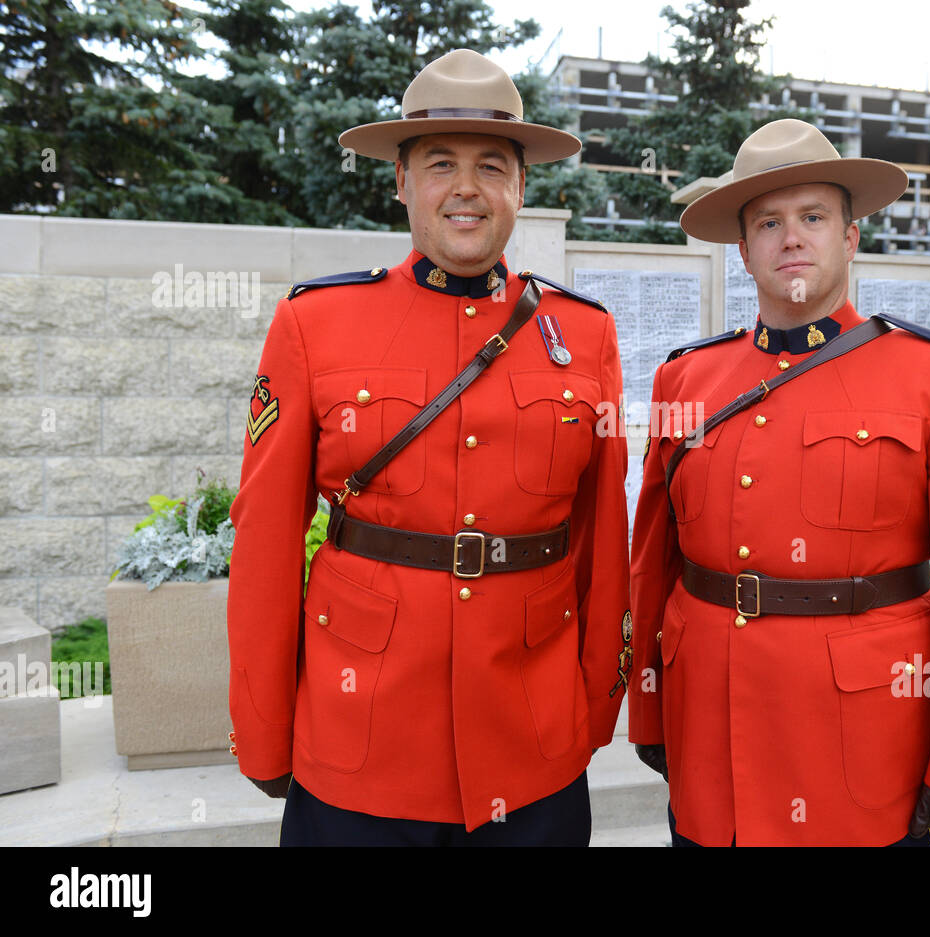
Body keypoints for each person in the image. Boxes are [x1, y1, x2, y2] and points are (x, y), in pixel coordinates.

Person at [226, 49, 631, 846]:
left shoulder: (585, 336)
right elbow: (267, 541)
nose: (467, 188)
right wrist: (267, 725)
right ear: (402, 181)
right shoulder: (315, 324)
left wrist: (592, 706)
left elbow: (600, 544)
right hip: (361, 741)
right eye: (440, 164)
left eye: (491, 165)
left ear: (522, 185)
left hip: (533, 742)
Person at [627, 119, 930, 846]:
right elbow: (653, 567)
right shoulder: (685, 377)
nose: (792, 238)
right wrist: (650, 705)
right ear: (744, 250)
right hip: (710, 748)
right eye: (769, 223)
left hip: (864, 759)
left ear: (850, 237)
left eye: (813, 217)